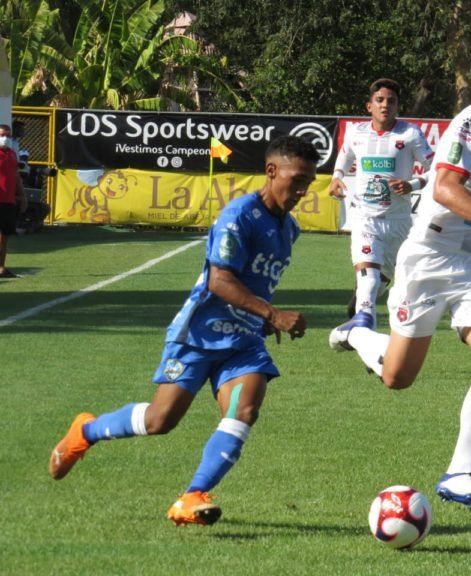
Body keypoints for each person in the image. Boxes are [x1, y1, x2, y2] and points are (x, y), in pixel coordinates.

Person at [48, 135, 321, 526]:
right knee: (161, 421)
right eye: (297, 179)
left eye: (309, 182)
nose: (302, 190)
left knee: (245, 409)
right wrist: (272, 314)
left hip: (244, 341)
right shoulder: (239, 215)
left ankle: (192, 495)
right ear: (272, 171)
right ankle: (85, 431)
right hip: (201, 334)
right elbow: (219, 281)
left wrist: (262, 317)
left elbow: (255, 282)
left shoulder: (288, 228)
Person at [329, 62, 471, 511]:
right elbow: (446, 188)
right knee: (397, 378)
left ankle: (459, 473)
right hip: (428, 254)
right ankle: (356, 331)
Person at [329, 78, 435, 326]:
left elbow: (439, 169)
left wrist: (413, 184)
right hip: (364, 217)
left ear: (398, 106)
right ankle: (365, 333)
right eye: (379, 100)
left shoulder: (410, 134)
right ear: (369, 106)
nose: (385, 105)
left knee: (381, 281)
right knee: (370, 280)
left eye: (391, 101)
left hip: (398, 222)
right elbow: (344, 156)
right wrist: (336, 178)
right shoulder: (356, 132)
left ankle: (362, 303)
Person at [0, 124, 27, 278]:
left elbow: (16, 176)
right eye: (2, 135)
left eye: (8, 136)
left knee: (5, 235)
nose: (5, 138)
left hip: (8, 201)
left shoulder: (11, 154)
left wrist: (22, 196)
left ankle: (2, 267)